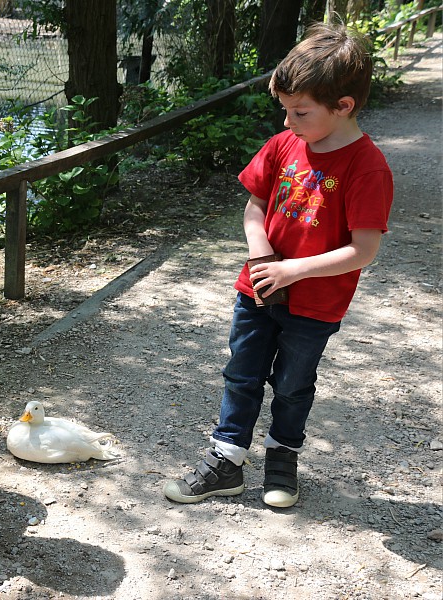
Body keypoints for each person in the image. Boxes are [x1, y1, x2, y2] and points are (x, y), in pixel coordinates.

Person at [163, 23, 393, 508]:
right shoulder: (283, 145)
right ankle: (227, 461)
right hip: (259, 289)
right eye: (284, 110)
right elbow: (254, 207)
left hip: (315, 304)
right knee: (241, 374)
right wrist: (263, 256)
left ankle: (282, 457)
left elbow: (363, 249)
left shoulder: (366, 167)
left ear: (343, 106)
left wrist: (294, 271)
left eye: (300, 112)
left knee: (291, 385)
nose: (288, 122)